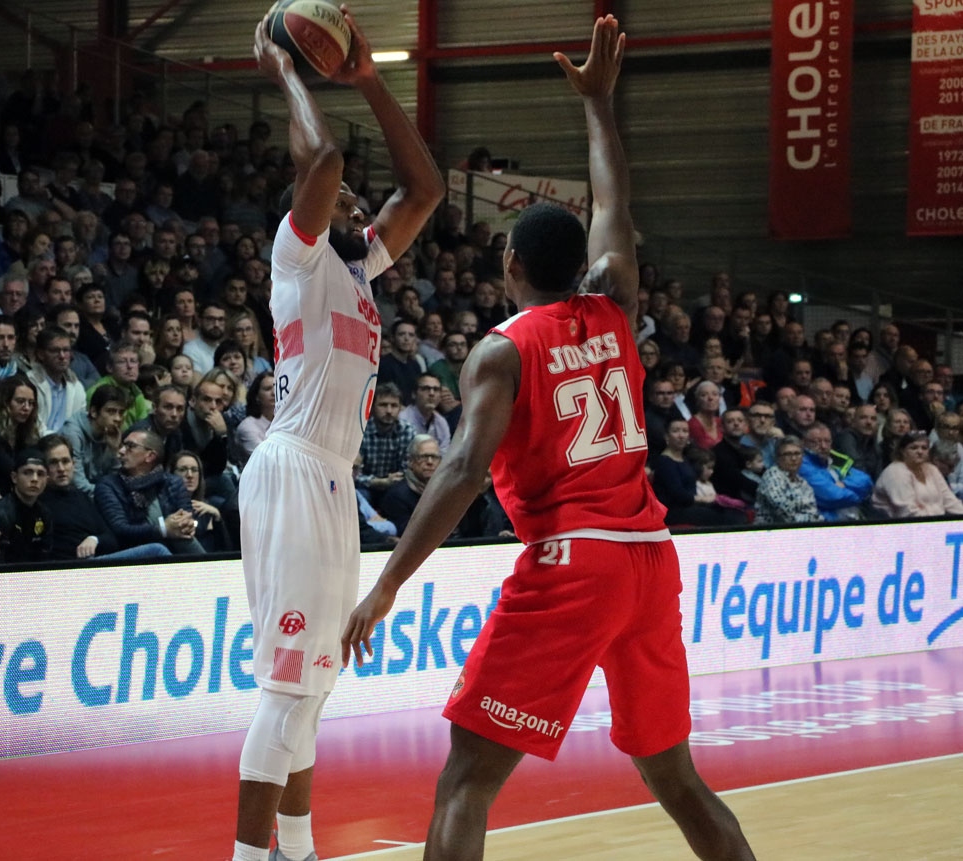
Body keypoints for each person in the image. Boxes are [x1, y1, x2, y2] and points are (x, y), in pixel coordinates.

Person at [340, 18, 754, 861]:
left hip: (576, 564)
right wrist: (598, 105)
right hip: (648, 558)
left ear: (509, 264)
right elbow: (615, 205)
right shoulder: (614, 305)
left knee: (466, 780)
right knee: (674, 776)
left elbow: (459, 472)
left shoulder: (501, 349)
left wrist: (385, 584)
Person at [233, 10, 446, 861]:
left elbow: (425, 188)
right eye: (345, 196)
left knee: (315, 688)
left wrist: (367, 79)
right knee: (288, 692)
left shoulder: (360, 272)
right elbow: (322, 159)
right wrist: (284, 67)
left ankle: (300, 846)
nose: (356, 195)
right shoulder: (298, 255)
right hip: (292, 467)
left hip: (330, 479)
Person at [37, 434, 171, 561]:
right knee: (157, 551)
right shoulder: (39, 502)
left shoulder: (81, 497)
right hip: (69, 569)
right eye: (53, 463)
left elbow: (111, 539)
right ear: (44, 467)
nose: (61, 468)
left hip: (97, 562)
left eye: (65, 461)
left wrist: (94, 539)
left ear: (74, 464)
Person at [95, 429, 204, 555]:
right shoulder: (108, 486)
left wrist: (186, 525)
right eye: (123, 446)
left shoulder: (173, 482)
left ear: (150, 456)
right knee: (163, 546)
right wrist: (163, 529)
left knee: (182, 536)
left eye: (130, 446)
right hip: (132, 549)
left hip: (173, 544)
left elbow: (188, 518)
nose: (121, 451)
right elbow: (120, 530)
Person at [0, 374, 41, 495]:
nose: (27, 408)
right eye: (20, 401)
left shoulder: (25, 432)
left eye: (31, 403)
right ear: (5, 402)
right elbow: (5, 468)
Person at [871, 430, 963, 519]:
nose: (920, 451)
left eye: (924, 448)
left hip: (935, 522)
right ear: (902, 451)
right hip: (903, 527)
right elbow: (907, 512)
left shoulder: (931, 469)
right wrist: (938, 523)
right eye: (914, 447)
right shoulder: (895, 472)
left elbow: (949, 500)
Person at [0, 448, 54, 563]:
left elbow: (45, 556)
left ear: (47, 480)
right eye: (27, 473)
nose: (34, 479)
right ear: (14, 477)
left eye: (40, 474)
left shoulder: (45, 514)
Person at [799, 422, 874, 521]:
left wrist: (845, 484)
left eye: (827, 441)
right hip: (826, 524)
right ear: (804, 443)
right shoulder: (802, 465)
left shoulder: (832, 461)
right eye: (816, 442)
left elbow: (866, 480)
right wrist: (861, 497)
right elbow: (832, 496)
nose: (823, 446)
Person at [754, 435, 822, 525]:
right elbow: (785, 514)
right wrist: (812, 519)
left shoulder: (803, 483)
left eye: (797, 453)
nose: (793, 458)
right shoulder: (772, 475)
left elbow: (813, 511)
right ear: (778, 458)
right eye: (788, 454)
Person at [173, 449, 231, 552]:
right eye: (183, 470)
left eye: (194, 470)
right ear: (172, 474)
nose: (190, 475)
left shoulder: (208, 506)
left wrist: (217, 516)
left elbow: (226, 548)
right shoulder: (168, 505)